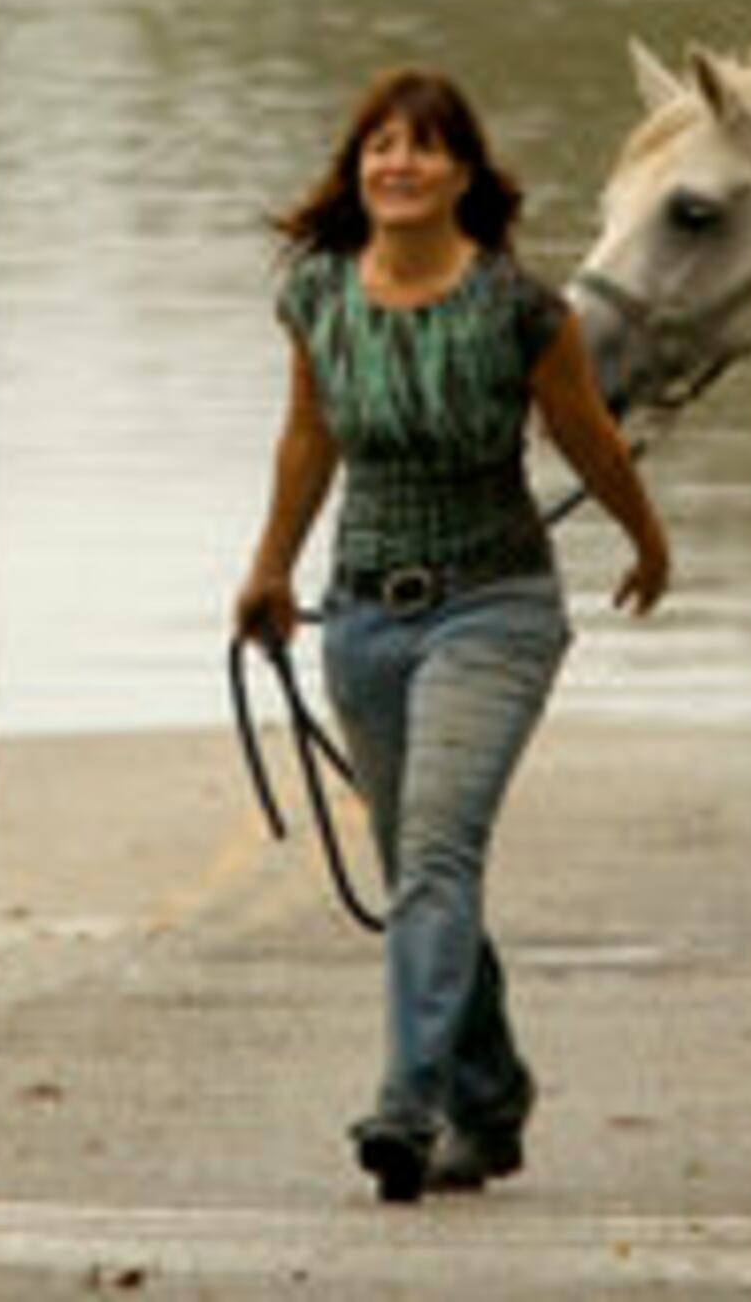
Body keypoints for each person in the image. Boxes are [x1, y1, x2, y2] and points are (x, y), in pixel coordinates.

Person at [232, 66, 672, 1203]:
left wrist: (647, 540)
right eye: (380, 144)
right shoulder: (319, 297)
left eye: (425, 147)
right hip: (365, 615)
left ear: (464, 173)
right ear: (358, 167)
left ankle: (408, 1104)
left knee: (433, 852)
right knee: (418, 867)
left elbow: (589, 440)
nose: (399, 162)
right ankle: (492, 1095)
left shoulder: (524, 310)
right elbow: (305, 442)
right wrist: (271, 567)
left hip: (497, 609)